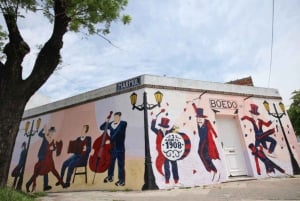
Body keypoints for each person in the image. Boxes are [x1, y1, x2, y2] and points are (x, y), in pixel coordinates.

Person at [26, 126, 65, 192]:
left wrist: (53, 149)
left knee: (45, 170)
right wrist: (43, 129)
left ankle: (45, 185)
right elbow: (39, 134)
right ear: (49, 131)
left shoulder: (51, 139)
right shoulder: (45, 136)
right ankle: (30, 184)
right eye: (51, 132)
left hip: (47, 157)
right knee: (39, 171)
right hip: (42, 155)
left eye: (53, 132)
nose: (52, 133)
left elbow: (54, 147)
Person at [192, 103, 220, 181]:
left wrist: (215, 135)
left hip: (206, 141)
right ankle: (211, 169)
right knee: (202, 153)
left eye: (200, 117)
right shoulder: (198, 124)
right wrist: (193, 105)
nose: (199, 119)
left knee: (204, 154)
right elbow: (196, 111)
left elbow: (211, 128)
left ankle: (214, 170)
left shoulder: (206, 122)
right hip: (202, 140)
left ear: (203, 118)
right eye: (197, 117)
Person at [101, 112, 127, 186]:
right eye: (114, 117)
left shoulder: (123, 123)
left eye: (117, 117)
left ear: (119, 117)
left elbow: (118, 132)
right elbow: (102, 128)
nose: (115, 119)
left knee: (120, 165)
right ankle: (110, 176)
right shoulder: (111, 124)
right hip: (112, 148)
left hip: (120, 148)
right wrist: (106, 121)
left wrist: (110, 139)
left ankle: (121, 180)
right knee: (111, 163)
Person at [151, 117, 180, 185]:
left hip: (171, 152)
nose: (164, 128)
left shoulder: (169, 132)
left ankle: (176, 180)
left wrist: (175, 127)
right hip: (164, 152)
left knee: (174, 165)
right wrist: (154, 119)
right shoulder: (158, 132)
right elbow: (152, 128)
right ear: (160, 126)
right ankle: (167, 180)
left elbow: (176, 132)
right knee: (166, 166)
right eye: (162, 127)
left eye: (165, 127)